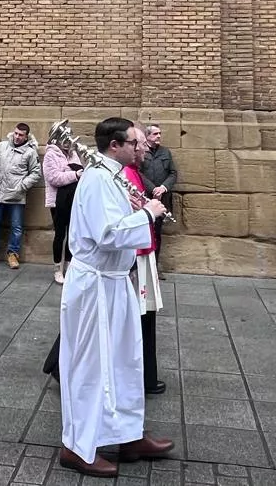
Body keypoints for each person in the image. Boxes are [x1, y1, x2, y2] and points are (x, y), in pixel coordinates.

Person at [59, 117, 172, 477]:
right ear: (115, 145)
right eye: (136, 143)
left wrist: (140, 207)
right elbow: (107, 234)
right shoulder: (96, 180)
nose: (144, 148)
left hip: (115, 281)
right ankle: (77, 446)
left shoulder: (116, 176)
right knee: (90, 365)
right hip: (93, 285)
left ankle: (128, 434)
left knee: (126, 360)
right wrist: (147, 214)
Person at [122, 156, 165, 395]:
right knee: (136, 316)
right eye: (138, 144)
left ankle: (147, 374)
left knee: (143, 315)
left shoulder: (135, 171)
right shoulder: (124, 173)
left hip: (143, 250)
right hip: (135, 256)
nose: (144, 151)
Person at [0, 124, 42, 269]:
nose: (17, 137)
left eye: (21, 135)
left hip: (16, 196)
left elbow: (36, 173)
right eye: (16, 133)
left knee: (16, 227)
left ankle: (13, 254)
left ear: (26, 136)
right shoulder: (2, 146)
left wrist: (22, 186)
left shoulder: (30, 152)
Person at [44, 132, 83, 284]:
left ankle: (68, 265)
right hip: (57, 200)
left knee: (72, 235)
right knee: (60, 235)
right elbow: (53, 177)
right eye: (64, 140)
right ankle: (57, 268)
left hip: (73, 199)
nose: (67, 143)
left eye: (69, 140)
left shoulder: (73, 154)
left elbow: (80, 170)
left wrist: (74, 172)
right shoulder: (50, 154)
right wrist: (74, 174)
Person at [138, 123, 177, 270]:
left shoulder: (165, 152)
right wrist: (152, 188)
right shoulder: (141, 152)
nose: (159, 136)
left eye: (160, 133)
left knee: (157, 233)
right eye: (155, 134)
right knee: (143, 231)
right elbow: (138, 173)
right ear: (147, 136)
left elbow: (173, 173)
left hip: (161, 199)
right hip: (145, 198)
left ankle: (154, 267)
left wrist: (163, 187)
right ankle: (142, 267)